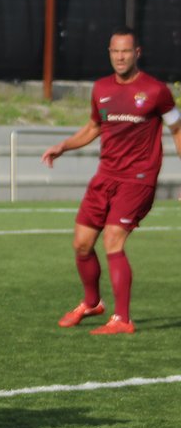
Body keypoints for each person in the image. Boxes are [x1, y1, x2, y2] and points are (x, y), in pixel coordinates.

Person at [42, 27, 181, 335]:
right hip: (105, 176)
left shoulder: (157, 91)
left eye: (126, 51)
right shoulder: (101, 88)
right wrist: (64, 146)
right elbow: (94, 127)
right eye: (115, 51)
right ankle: (92, 303)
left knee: (113, 239)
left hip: (138, 180)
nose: (120, 57)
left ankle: (122, 319)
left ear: (137, 53)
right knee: (81, 244)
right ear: (109, 53)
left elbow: (177, 129)